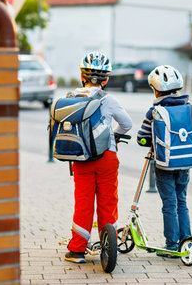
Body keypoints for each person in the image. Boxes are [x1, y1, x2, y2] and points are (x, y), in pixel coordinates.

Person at [65, 51, 132, 263]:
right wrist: (114, 136)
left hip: (82, 159)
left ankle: (77, 251)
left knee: (83, 203)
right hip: (107, 157)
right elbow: (127, 124)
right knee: (107, 201)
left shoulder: (72, 98)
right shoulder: (109, 100)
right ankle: (107, 245)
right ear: (107, 79)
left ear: (82, 76)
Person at [137, 65, 192, 257]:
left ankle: (171, 245)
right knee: (182, 201)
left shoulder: (155, 111)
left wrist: (147, 140)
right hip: (185, 161)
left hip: (164, 164)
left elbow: (141, 137)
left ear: (156, 89)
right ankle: (187, 241)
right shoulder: (188, 108)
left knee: (169, 203)